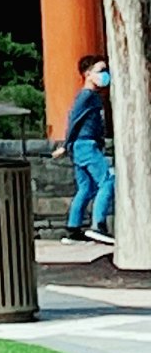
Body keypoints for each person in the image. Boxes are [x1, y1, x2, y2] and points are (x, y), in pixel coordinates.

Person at [56, 52, 116, 247]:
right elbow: (74, 119)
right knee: (107, 181)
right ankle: (98, 225)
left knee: (86, 188)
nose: (105, 74)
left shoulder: (93, 97)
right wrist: (65, 145)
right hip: (86, 145)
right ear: (88, 74)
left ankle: (73, 229)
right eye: (100, 70)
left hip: (82, 146)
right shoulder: (87, 96)